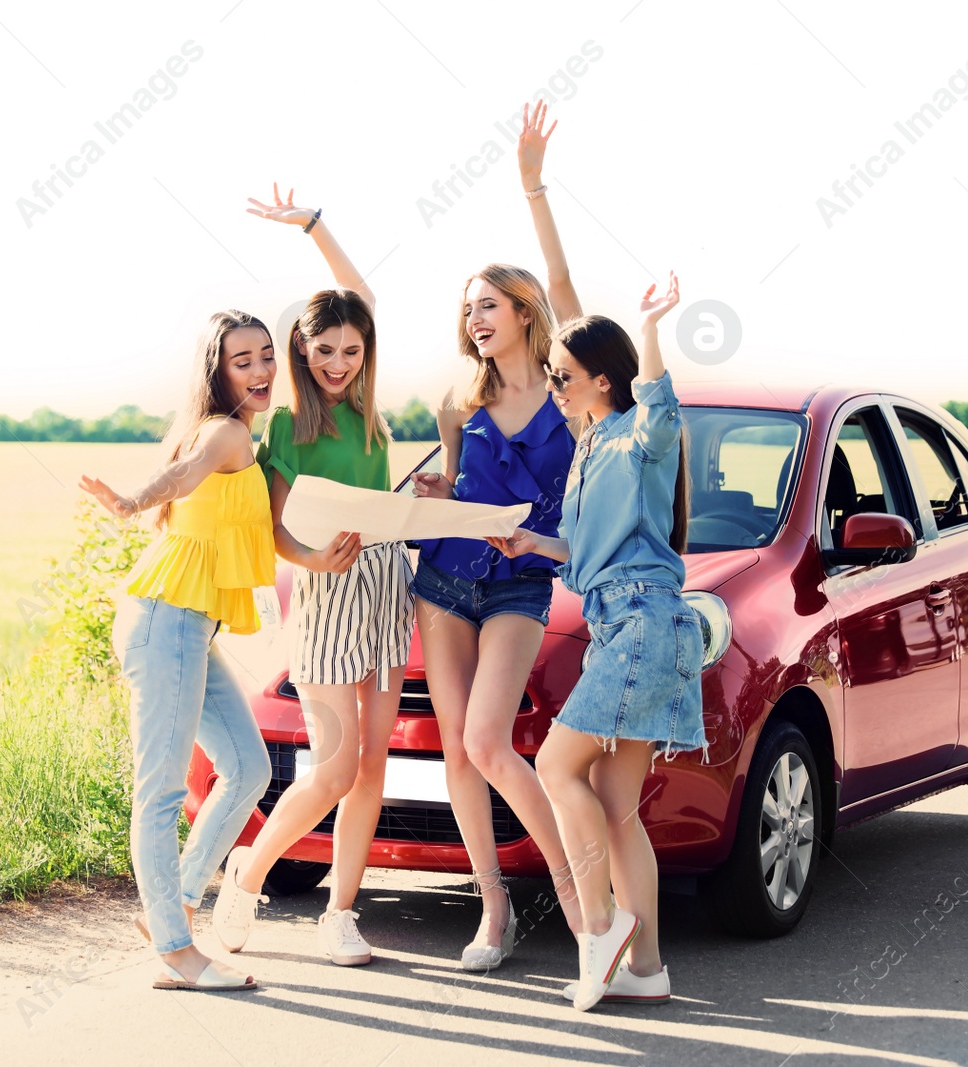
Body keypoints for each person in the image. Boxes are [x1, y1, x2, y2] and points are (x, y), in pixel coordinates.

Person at [489, 273, 704, 1011]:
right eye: (551, 376)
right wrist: (532, 544)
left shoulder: (638, 436)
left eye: (564, 377)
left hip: (643, 624)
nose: (554, 387)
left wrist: (650, 331)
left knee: (553, 764)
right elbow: (584, 559)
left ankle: (601, 927)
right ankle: (646, 967)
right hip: (626, 622)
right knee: (615, 806)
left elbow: (662, 408)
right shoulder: (589, 450)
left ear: (604, 381)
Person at [211, 188, 413, 967]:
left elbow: (361, 298)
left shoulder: (369, 413)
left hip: (387, 583)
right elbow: (274, 530)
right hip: (328, 591)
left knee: (372, 762)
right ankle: (249, 871)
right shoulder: (290, 424)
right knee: (333, 762)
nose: (338, 364)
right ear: (303, 350)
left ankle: (341, 910)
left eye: (351, 352)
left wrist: (317, 228)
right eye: (323, 351)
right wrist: (312, 559)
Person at [409, 101, 585, 970]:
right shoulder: (458, 399)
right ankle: (492, 907)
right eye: (467, 307)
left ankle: (582, 901)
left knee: (489, 739)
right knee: (457, 749)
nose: (476, 317)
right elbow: (450, 490)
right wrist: (438, 487)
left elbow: (564, 284)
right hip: (444, 580)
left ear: (522, 311)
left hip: (519, 584)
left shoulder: (567, 389)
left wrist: (532, 187)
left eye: (490, 305)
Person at [78, 310, 279, 991]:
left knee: (248, 767)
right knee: (160, 790)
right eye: (241, 360)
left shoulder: (243, 434)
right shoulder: (222, 433)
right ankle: (175, 948)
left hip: (189, 624)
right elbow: (183, 477)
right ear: (218, 373)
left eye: (265, 356)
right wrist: (132, 498)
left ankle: (181, 898)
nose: (258, 371)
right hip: (166, 619)